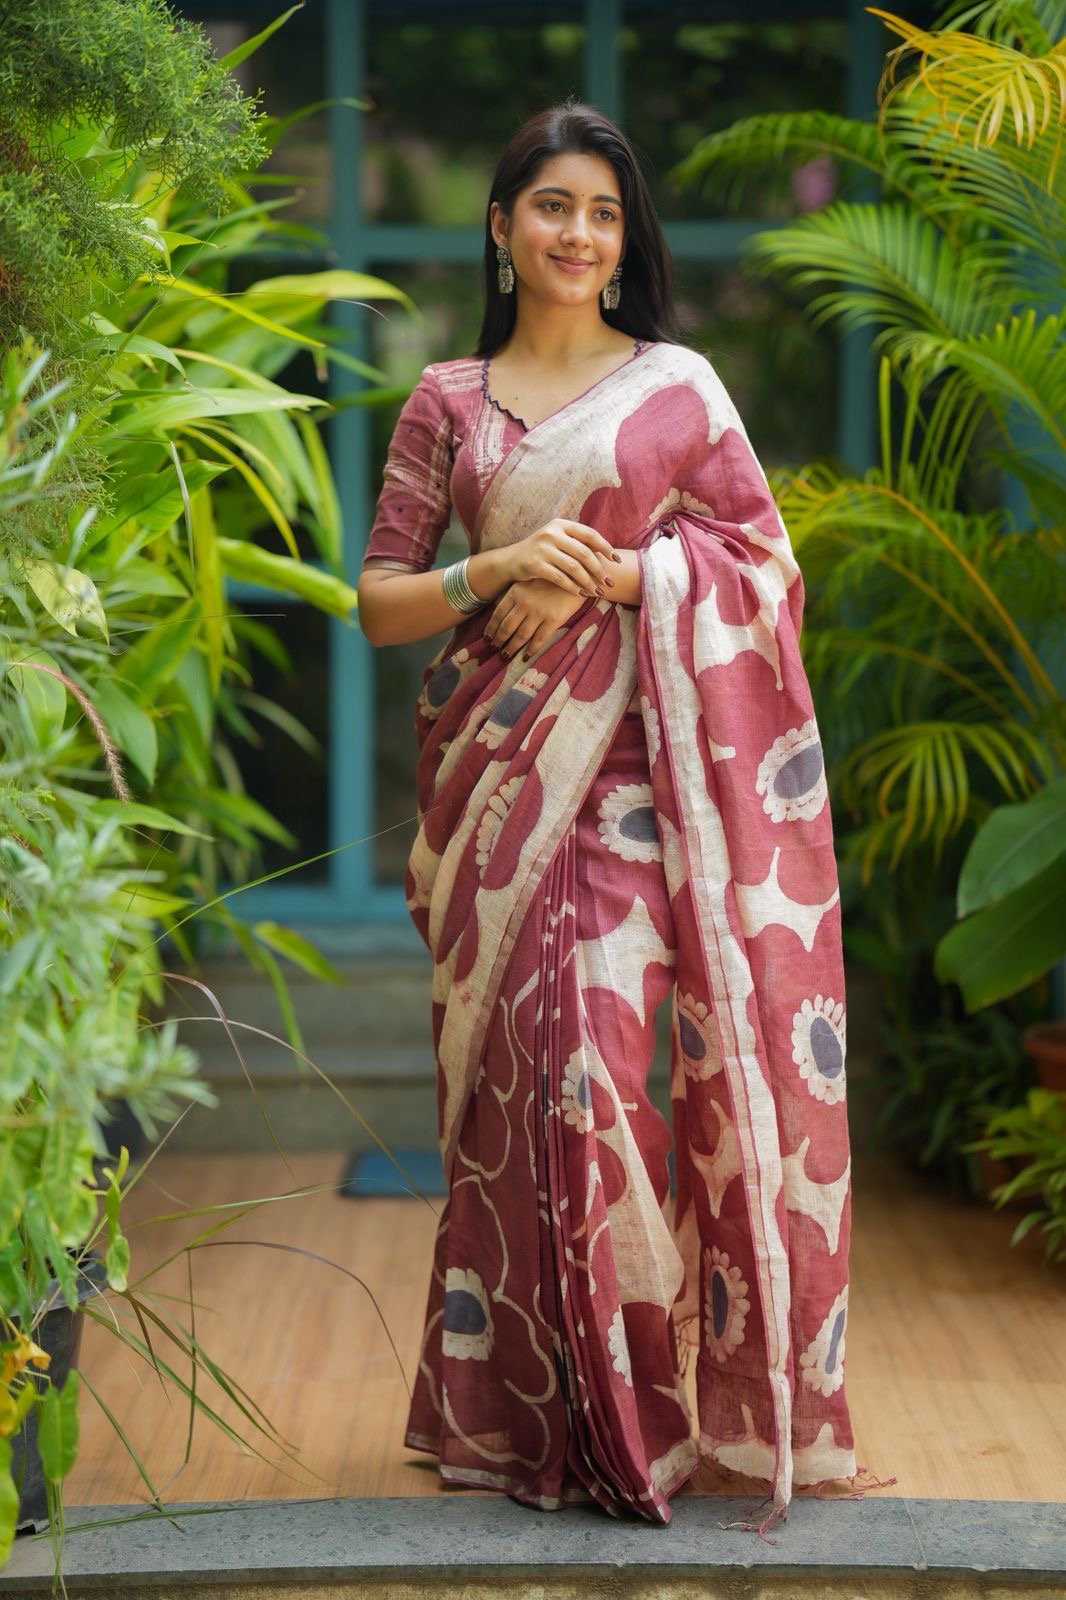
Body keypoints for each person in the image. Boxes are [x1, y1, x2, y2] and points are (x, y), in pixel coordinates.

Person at [357, 100, 866, 1535]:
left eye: (601, 212)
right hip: (491, 787)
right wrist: (497, 567)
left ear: (625, 238)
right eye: (551, 206)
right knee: (513, 1090)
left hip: (643, 789)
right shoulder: (447, 399)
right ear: (500, 226)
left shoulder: (680, 390)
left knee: (593, 1080)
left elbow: (762, 570)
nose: (578, 234)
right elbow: (381, 600)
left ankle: (624, 1419)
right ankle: (507, 1408)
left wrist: (615, 574)